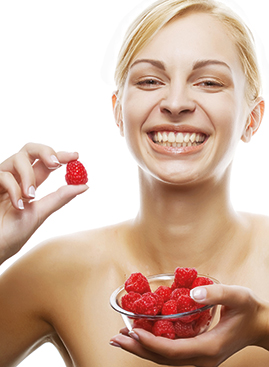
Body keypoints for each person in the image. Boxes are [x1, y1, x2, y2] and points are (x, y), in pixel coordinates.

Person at [1, 0, 269, 366]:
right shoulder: (56, 271)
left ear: (252, 118)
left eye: (208, 81)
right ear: (117, 111)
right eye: (149, 81)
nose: (175, 103)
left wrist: (264, 329)